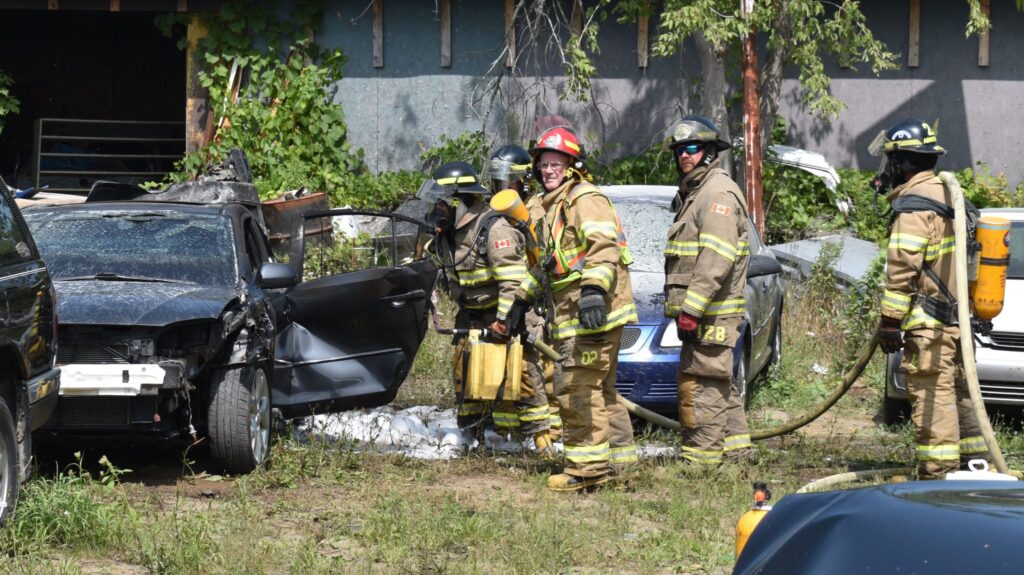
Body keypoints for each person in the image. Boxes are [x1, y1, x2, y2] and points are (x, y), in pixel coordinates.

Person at [503, 127, 638, 491]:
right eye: (544, 164)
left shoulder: (583, 199)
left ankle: (587, 472)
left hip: (593, 310)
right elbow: (548, 265)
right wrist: (520, 300)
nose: (549, 170)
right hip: (574, 311)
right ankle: (622, 465)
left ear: (572, 165)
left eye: (556, 164)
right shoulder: (548, 207)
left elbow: (603, 249)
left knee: (577, 386)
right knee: (601, 390)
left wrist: (593, 291)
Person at [870, 118, 989, 480]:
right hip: (955, 320)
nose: (886, 170)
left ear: (904, 162)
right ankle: (975, 466)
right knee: (959, 394)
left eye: (890, 161)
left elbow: (903, 268)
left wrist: (890, 321)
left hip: (929, 323)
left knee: (933, 395)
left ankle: (937, 478)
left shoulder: (914, 206)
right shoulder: (949, 195)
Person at [422, 160, 550, 450]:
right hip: (472, 316)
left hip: (507, 315)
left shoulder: (494, 229)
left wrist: (504, 322)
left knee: (523, 379)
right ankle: (471, 438)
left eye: (442, 203)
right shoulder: (448, 234)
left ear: (462, 201)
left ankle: (544, 446)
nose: (437, 209)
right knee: (466, 376)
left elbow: (514, 283)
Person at [663, 115, 754, 468]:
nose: (685, 155)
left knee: (702, 385)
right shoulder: (696, 193)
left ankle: (701, 464)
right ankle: (736, 453)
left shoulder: (716, 193)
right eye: (680, 150)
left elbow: (716, 258)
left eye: (692, 148)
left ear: (710, 151)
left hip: (711, 313)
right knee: (719, 383)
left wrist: (691, 309)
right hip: (706, 313)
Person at [484, 145, 554, 452]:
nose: (503, 190)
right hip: (526, 307)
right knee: (522, 372)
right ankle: (513, 438)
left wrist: (506, 317)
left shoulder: (537, 211)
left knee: (539, 372)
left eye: (509, 182)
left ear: (524, 182)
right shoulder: (502, 219)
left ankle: (549, 439)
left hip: (539, 306)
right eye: (499, 182)